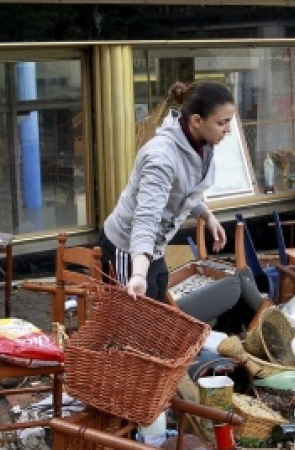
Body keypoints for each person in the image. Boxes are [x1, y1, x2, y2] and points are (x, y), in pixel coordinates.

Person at [100, 81, 235, 302]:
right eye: (223, 123)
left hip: (154, 247)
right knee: (135, 320)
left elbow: (184, 190)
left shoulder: (201, 144)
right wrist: (138, 275)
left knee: (156, 310)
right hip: (127, 246)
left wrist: (205, 214)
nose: (228, 129)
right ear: (197, 121)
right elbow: (145, 218)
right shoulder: (161, 157)